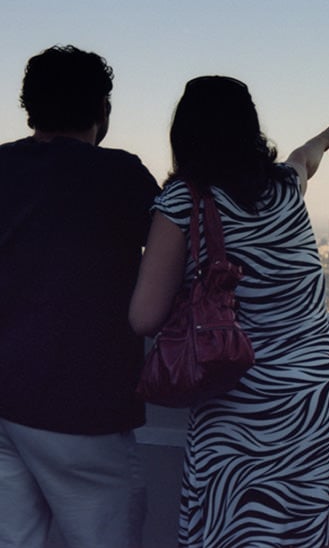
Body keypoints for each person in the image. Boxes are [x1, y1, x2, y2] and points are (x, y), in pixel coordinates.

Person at [129, 75, 329, 548]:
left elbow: (144, 318)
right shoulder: (285, 188)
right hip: (321, 399)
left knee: (243, 532)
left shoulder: (183, 203)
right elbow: (304, 160)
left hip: (242, 409)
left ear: (184, 135)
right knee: (323, 534)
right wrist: (326, 139)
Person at [0, 45, 161, 548]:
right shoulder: (118, 174)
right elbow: (175, 256)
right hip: (80, 407)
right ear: (102, 109)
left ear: (30, 108)